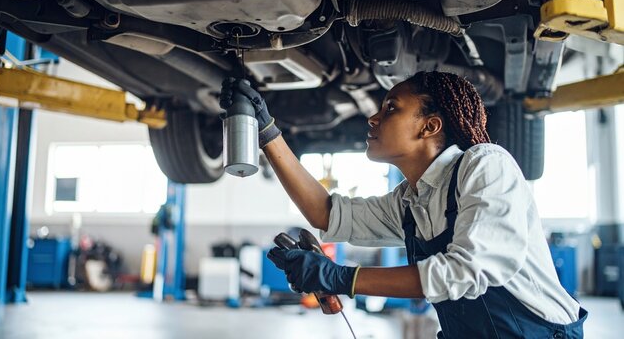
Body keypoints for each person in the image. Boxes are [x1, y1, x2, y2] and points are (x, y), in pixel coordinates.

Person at [220, 72, 587, 338]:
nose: (373, 117)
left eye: (390, 108)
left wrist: (340, 277)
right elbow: (330, 214)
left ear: (429, 127)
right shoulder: (412, 199)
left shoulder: (485, 164)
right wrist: (267, 132)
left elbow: (467, 271)